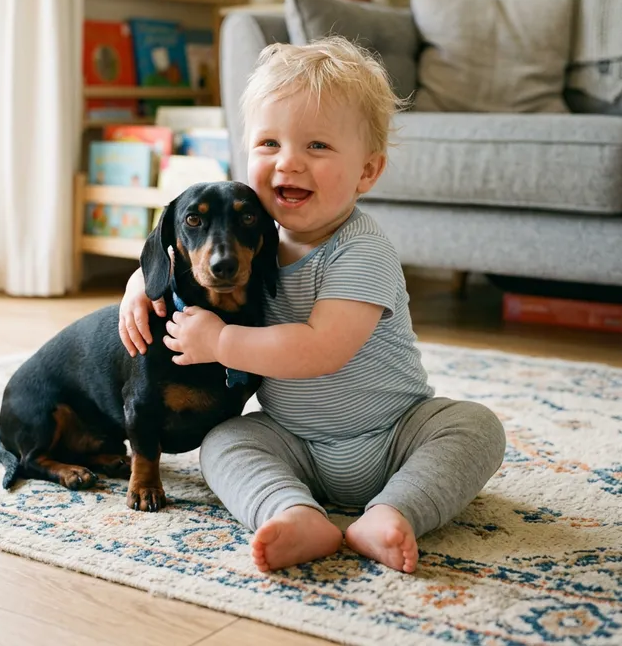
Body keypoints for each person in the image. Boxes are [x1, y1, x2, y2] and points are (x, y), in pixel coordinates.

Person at [118, 37, 506, 574]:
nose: (289, 163)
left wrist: (222, 342)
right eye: (270, 144)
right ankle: (292, 511)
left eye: (318, 146)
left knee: (475, 427)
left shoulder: (361, 250)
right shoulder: (256, 237)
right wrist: (144, 279)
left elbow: (321, 349)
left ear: (367, 172)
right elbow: (186, 253)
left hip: (393, 436)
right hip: (293, 441)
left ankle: (395, 511)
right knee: (224, 442)